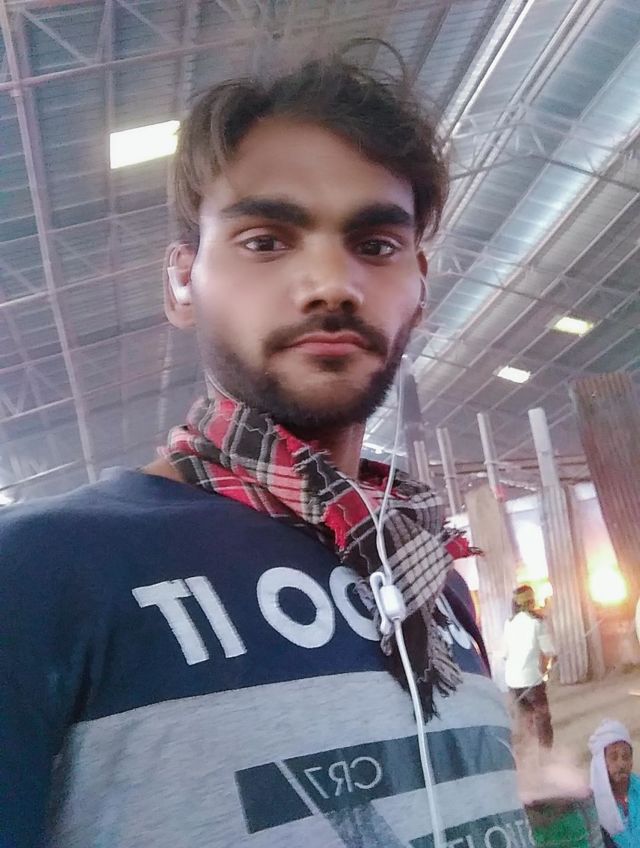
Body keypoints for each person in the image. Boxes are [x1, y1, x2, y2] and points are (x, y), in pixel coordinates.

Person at [0, 44, 534, 848]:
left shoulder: (426, 584)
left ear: (420, 288)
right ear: (181, 281)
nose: (332, 284)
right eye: (265, 240)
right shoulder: (40, 575)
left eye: (376, 246)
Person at [504, 584, 556, 749]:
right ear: (531, 601)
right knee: (542, 718)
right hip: (532, 680)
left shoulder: (509, 623)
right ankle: (545, 754)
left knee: (525, 719)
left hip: (513, 681)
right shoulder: (537, 622)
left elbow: (504, 653)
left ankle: (529, 754)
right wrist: (552, 660)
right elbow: (548, 650)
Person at [589, 720, 640, 847]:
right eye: (613, 757)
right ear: (602, 763)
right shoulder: (592, 806)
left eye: (626, 756)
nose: (621, 764)